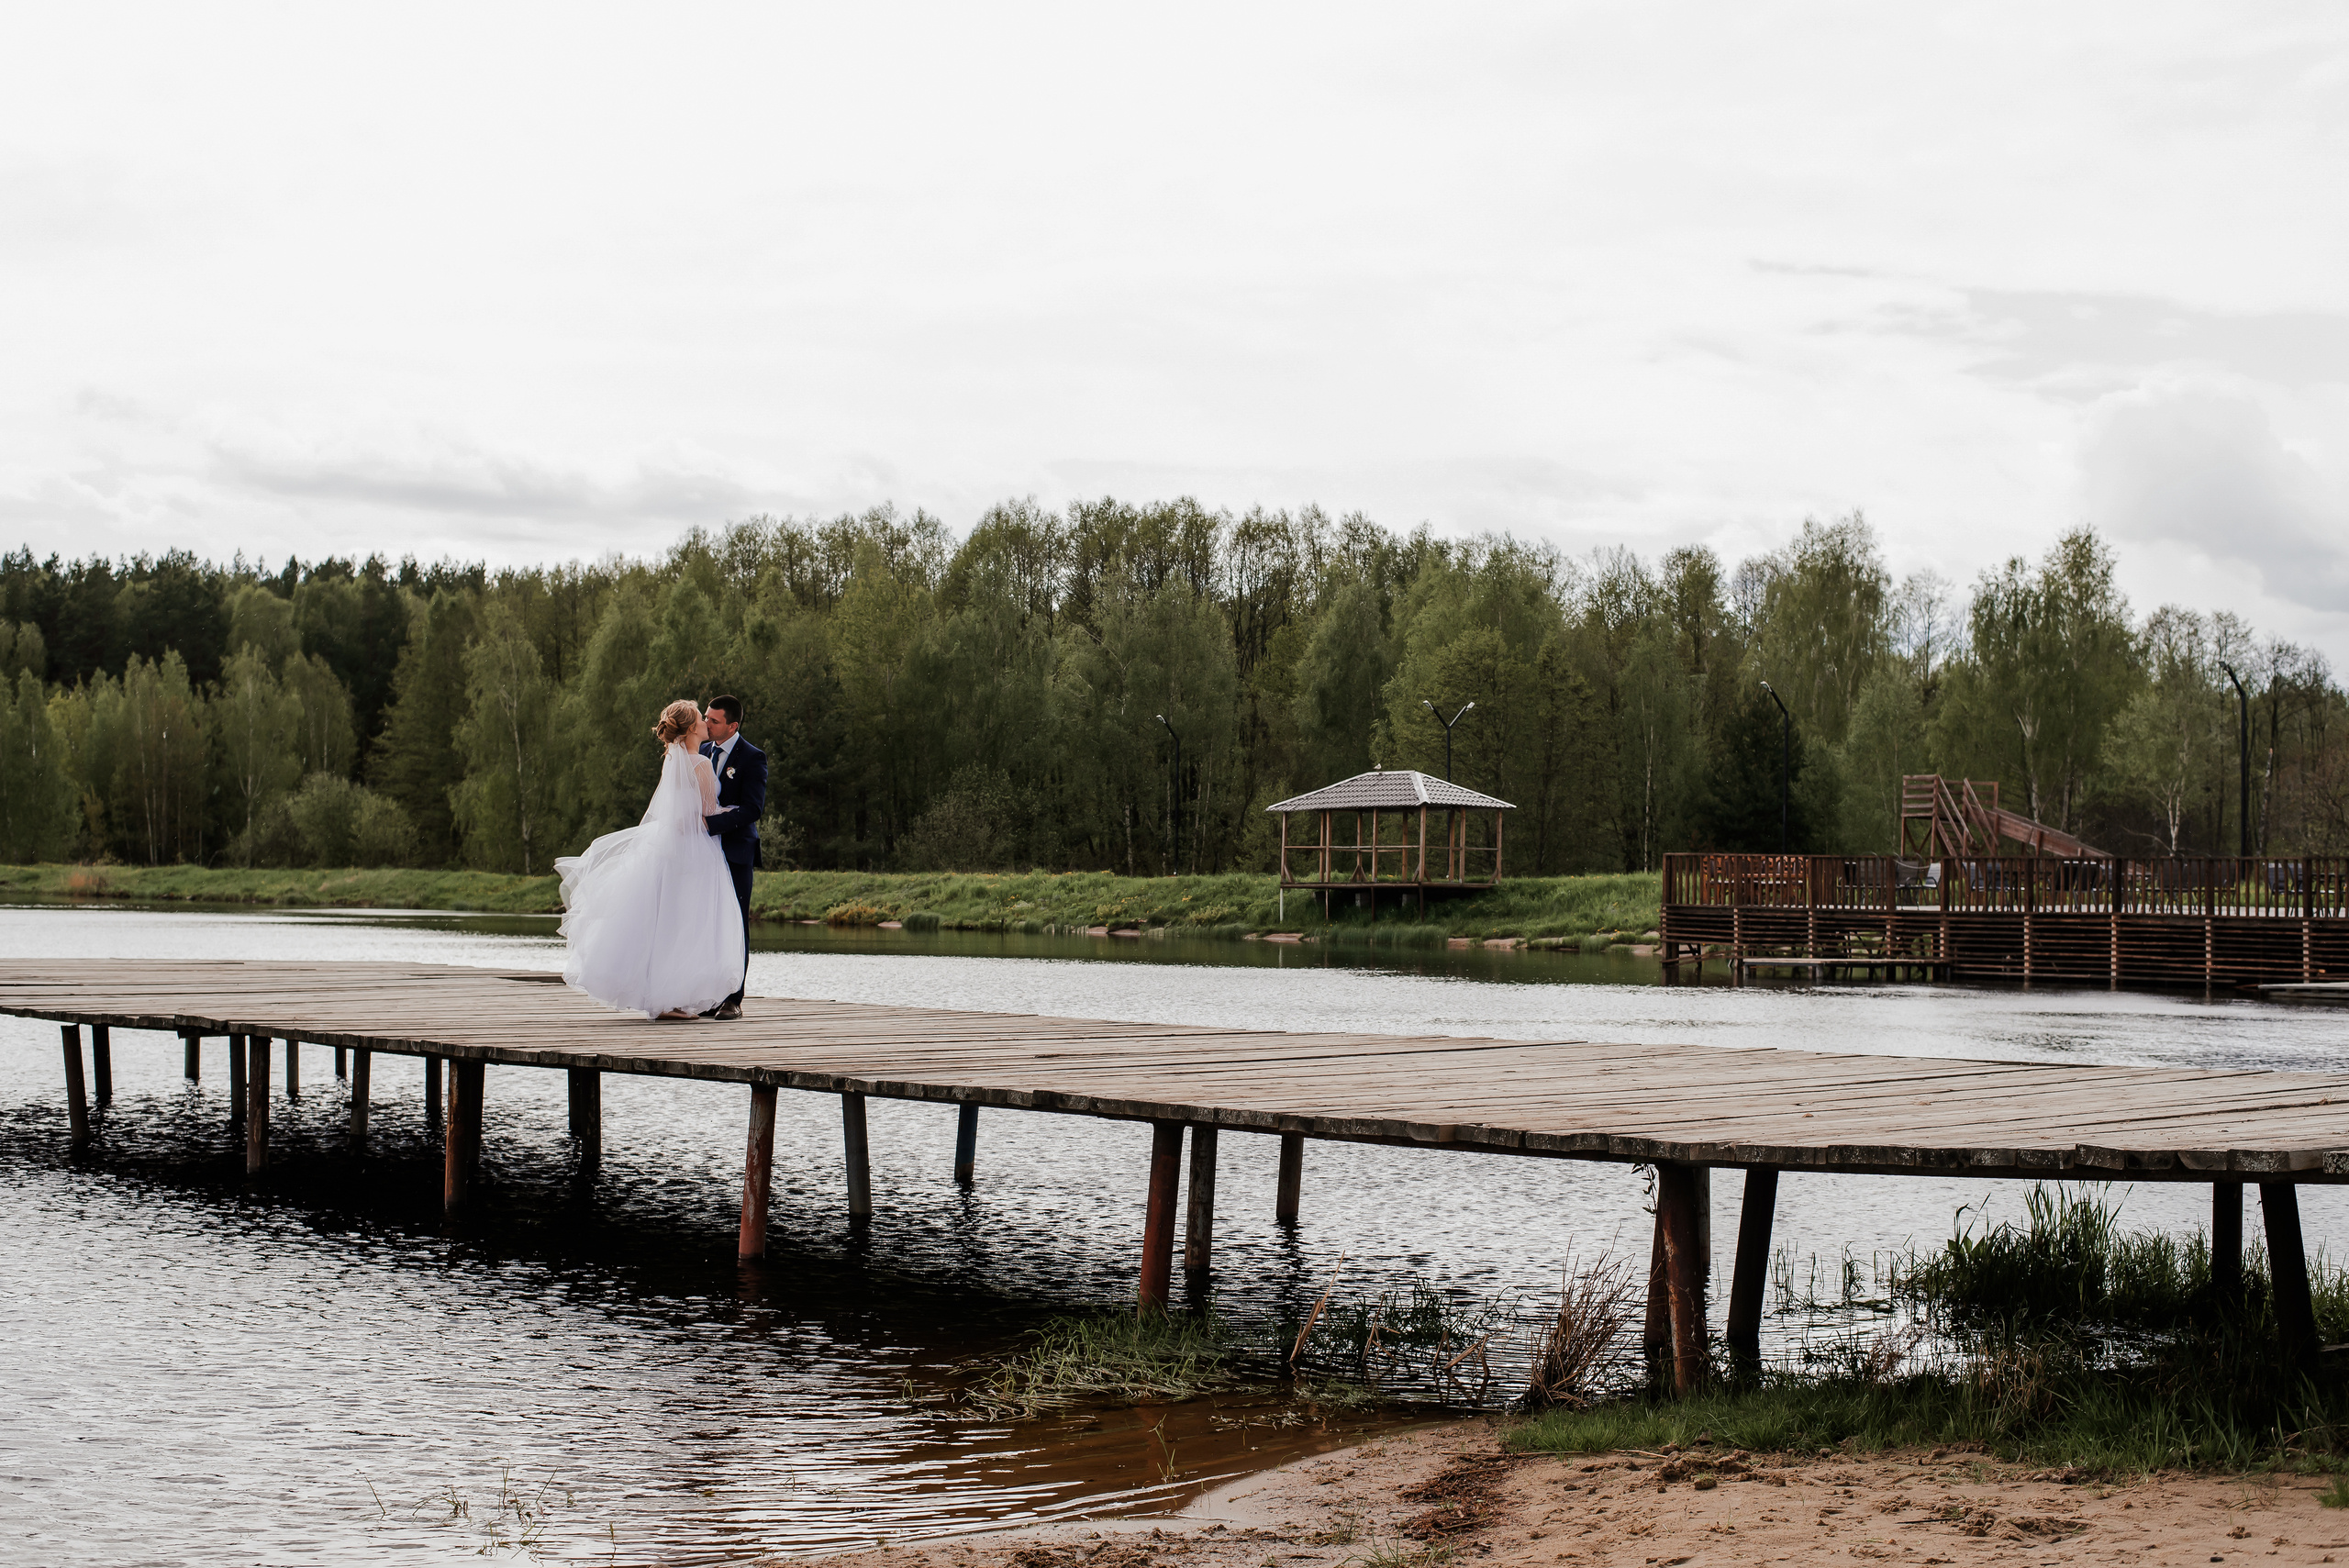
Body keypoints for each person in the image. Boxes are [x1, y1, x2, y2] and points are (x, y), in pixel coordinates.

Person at [554, 699, 747, 1020]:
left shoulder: (672, 759)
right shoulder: (698, 764)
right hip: (696, 850)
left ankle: (667, 999)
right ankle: (675, 999)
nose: (705, 723)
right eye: (701, 718)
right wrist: (737, 812)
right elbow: (708, 812)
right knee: (691, 922)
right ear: (690, 729)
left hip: (669, 845)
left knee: (668, 921)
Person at [699, 694, 766, 1019]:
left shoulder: (753, 757)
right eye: (706, 717)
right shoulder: (702, 751)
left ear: (733, 725)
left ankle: (733, 998)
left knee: (736, 923)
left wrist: (710, 823)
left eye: (713, 720)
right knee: (708, 923)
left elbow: (753, 809)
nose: (706, 724)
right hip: (704, 855)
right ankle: (709, 995)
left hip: (737, 852)